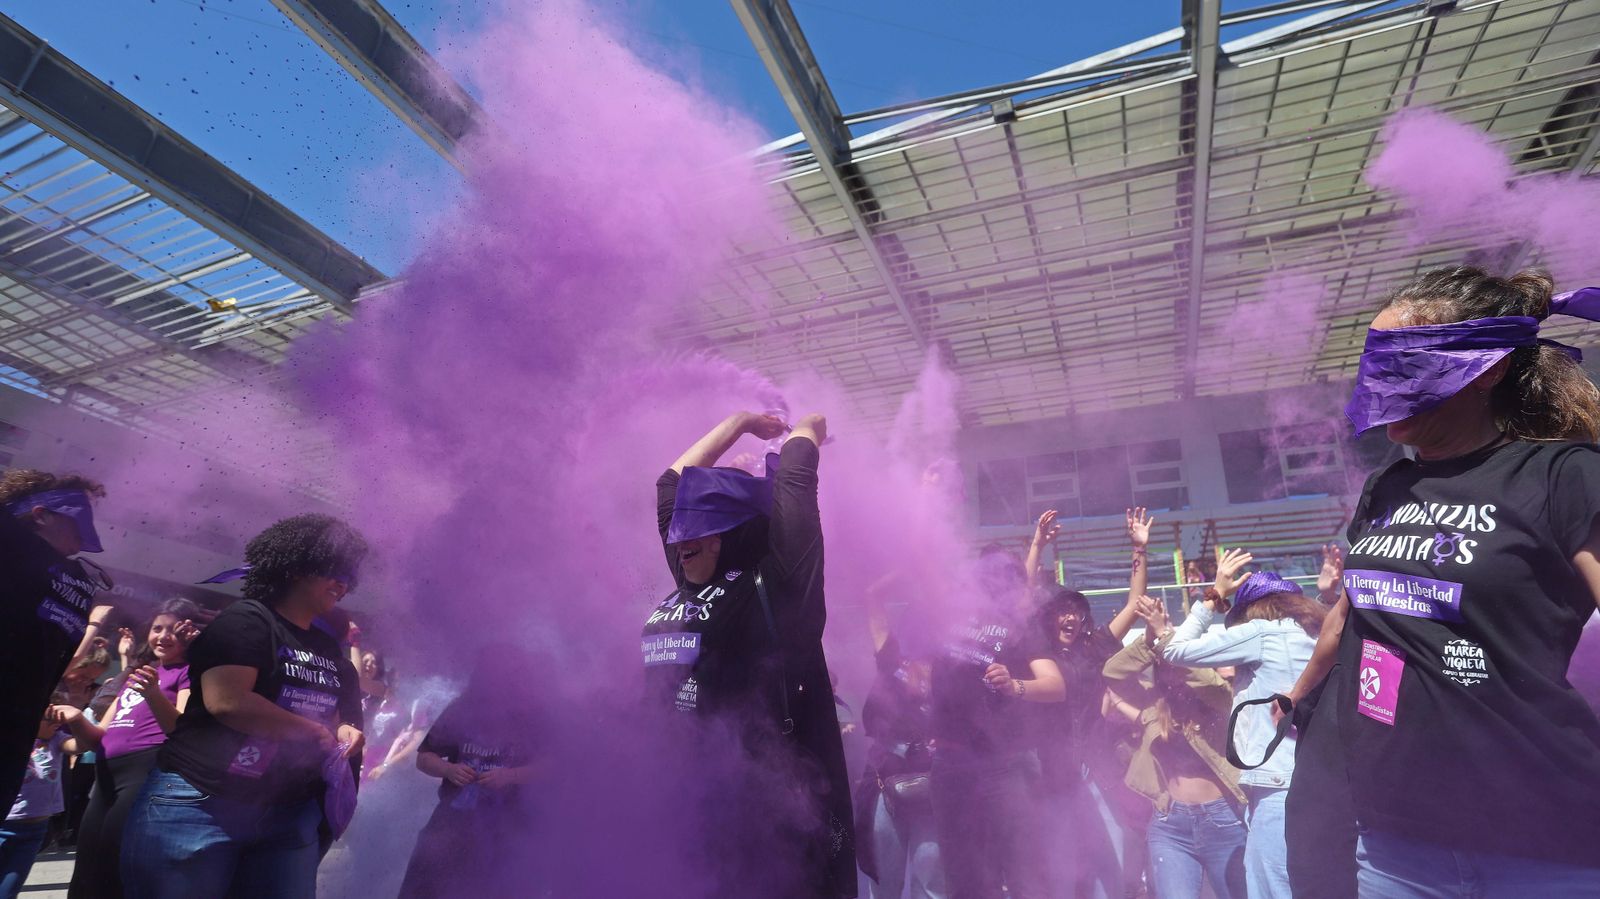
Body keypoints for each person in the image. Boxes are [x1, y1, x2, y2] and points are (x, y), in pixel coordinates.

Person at [1283, 268, 1600, 896]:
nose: (1381, 383)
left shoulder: (1565, 475)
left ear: (1487, 370)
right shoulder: (1387, 487)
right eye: (1377, 364)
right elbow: (1351, 616)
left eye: (1405, 365)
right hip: (1396, 845)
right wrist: (1293, 700)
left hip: (1540, 842)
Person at [642, 410, 855, 898]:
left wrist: (808, 428)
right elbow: (669, 482)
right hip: (696, 811)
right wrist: (740, 422)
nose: (683, 537)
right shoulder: (692, 570)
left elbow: (797, 473)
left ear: (730, 532)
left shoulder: (781, 585)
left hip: (777, 821)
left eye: (704, 521)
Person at [121, 514, 368, 899]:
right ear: (298, 565)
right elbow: (229, 701)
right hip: (201, 804)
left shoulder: (325, 648)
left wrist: (343, 731)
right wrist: (312, 731)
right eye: (333, 570)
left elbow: (331, 714)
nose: (343, 583)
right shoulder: (246, 620)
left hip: (287, 812)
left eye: (349, 576)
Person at [1154, 550, 1326, 899]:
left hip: (1278, 785)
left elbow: (1174, 650)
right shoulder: (1317, 636)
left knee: (1272, 889)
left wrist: (1212, 596)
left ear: (1251, 610)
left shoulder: (1262, 632)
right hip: (1324, 781)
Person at [928, 546, 1065, 899]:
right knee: (965, 877)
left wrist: (1014, 684)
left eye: (1003, 576)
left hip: (1004, 766)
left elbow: (1055, 685)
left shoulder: (1019, 629)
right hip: (950, 766)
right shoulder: (946, 620)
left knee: (1025, 874)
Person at [56, 598, 201, 899]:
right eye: (158, 628)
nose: (163, 636)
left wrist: (152, 695)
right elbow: (98, 737)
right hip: (106, 772)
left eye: (173, 630)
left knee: (113, 862)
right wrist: (74, 718)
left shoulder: (188, 671)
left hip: (146, 770)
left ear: (188, 633)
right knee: (85, 863)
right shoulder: (138, 673)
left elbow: (181, 729)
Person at [1106, 597, 1245, 899]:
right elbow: (1113, 671)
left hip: (1222, 820)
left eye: (1174, 659)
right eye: (1163, 662)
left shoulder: (1216, 697)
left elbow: (1213, 685)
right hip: (1170, 823)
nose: (1169, 667)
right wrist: (1149, 638)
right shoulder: (1158, 706)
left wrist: (1170, 639)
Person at [0, 470, 111, 813]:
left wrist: (92, 626)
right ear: (41, 514)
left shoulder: (68, 580)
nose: (81, 542)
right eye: (77, 525)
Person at [396, 649, 542, 898]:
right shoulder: (462, 709)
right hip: (452, 823)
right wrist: (449, 769)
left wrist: (511, 776)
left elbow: (551, 766)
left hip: (504, 828)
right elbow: (424, 757)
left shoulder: (530, 716)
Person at [856, 576, 943, 899]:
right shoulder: (892, 658)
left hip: (932, 787)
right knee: (884, 883)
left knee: (931, 885)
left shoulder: (952, 670)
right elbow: (872, 596)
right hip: (885, 783)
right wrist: (908, 568)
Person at [0, 704, 79, 899]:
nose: (56, 724)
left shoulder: (57, 740)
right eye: (49, 719)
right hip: (5, 825)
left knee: (8, 890)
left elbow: (81, 745)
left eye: (58, 719)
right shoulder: (11, 741)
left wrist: (77, 718)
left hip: (35, 829)